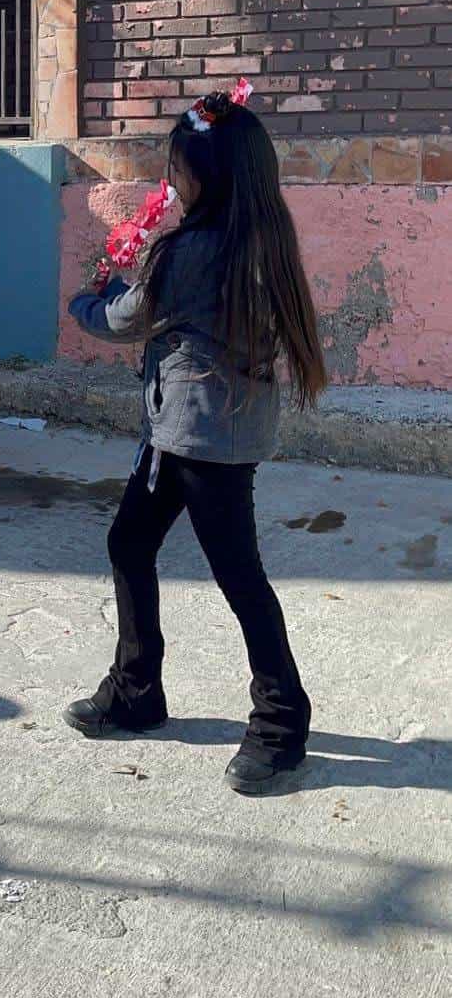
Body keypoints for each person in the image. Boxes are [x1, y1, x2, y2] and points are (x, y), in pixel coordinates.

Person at [65, 91, 327, 795]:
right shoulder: (263, 238)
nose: (171, 181)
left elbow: (123, 320)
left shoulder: (187, 251)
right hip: (202, 428)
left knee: (240, 578)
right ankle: (135, 690)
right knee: (130, 543)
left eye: (177, 168)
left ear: (206, 176)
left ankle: (281, 724)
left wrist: (86, 299)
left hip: (198, 436)